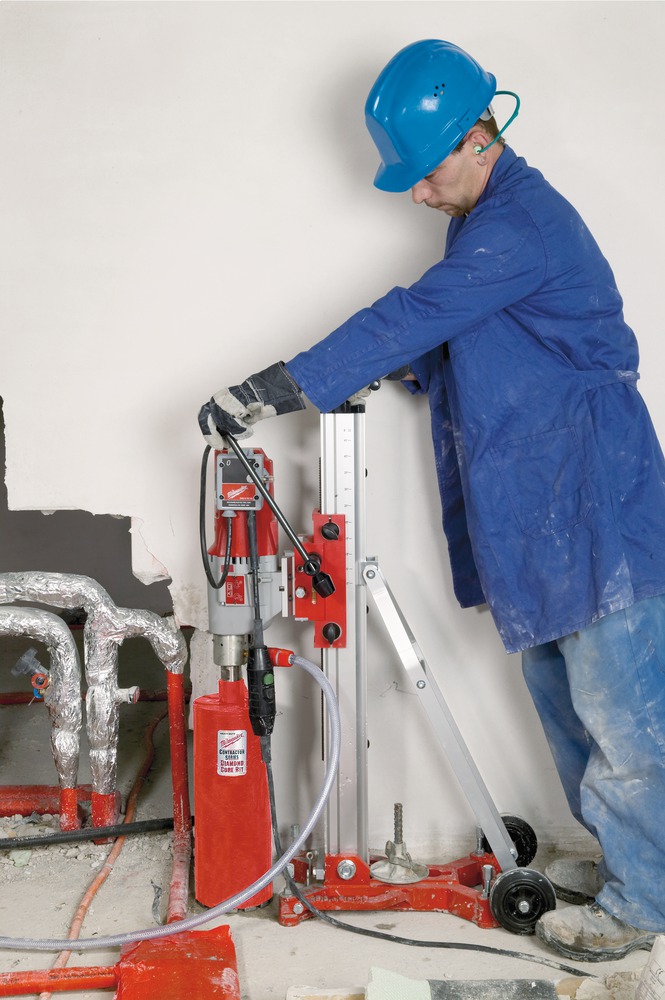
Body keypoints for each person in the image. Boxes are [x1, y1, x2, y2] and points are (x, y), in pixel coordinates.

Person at [198, 39, 665, 962]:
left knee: (624, 720)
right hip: (544, 505)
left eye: (422, 172)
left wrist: (277, 387)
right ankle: (629, 863)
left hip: (591, 496)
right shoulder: (484, 224)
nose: (415, 193)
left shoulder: (518, 225)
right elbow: (470, 337)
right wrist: (388, 372)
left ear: (476, 139)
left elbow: (418, 313)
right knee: (567, 709)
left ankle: (645, 902)